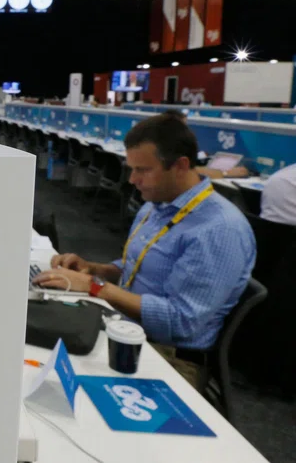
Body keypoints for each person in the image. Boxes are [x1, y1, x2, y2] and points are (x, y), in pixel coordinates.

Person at [33, 114, 256, 388]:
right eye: (131, 169)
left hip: (170, 355)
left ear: (180, 166)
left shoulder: (219, 230)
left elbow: (180, 323)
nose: (132, 179)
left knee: (54, 380)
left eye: (143, 170)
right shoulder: (156, 205)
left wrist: (94, 286)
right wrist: (94, 269)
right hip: (122, 325)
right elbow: (135, 267)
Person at [159, 110, 249, 180]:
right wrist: (226, 173)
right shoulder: (165, 149)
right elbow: (190, 171)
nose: (187, 131)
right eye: (184, 127)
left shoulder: (162, 144)